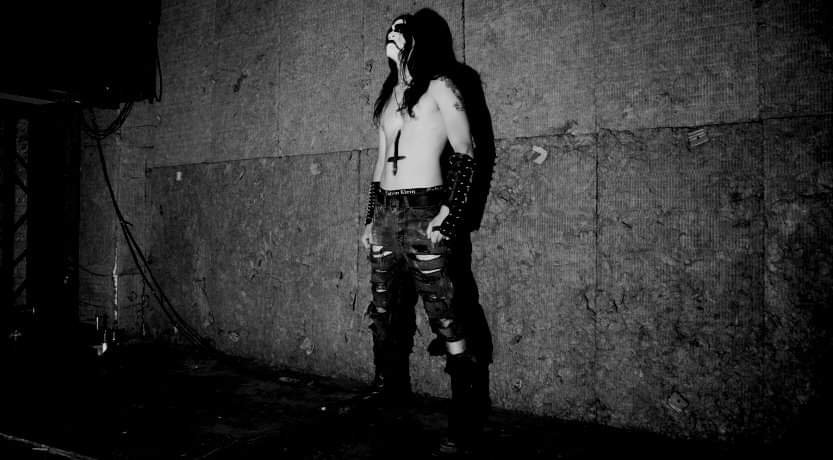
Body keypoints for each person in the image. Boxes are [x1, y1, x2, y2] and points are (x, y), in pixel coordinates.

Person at [359, 8, 493, 456]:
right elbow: (379, 164)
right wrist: (370, 218)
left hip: (424, 210)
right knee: (383, 309)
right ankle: (387, 387)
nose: (393, 34)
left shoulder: (440, 85)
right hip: (387, 215)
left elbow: (467, 150)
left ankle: (467, 413)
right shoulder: (388, 98)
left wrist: (449, 214)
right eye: (391, 29)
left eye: (402, 30)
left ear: (419, 39)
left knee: (447, 312)